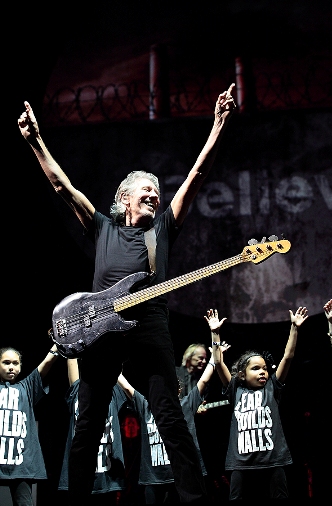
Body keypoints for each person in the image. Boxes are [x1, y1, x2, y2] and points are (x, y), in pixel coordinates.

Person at [18, 82, 236, 506]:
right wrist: (36, 142)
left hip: (150, 326)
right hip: (99, 330)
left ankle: (195, 499)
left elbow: (197, 174)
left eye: (157, 188)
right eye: (146, 189)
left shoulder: (162, 231)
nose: (155, 193)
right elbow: (63, 188)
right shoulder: (102, 227)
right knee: (87, 425)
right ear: (124, 198)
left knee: (172, 419)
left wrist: (218, 126)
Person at [205, 306, 308, 501]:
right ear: (242, 374)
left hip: (273, 461)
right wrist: (215, 333)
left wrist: (294, 328)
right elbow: (219, 364)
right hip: (241, 464)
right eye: (255, 368)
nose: (262, 372)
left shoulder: (272, 387)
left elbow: (288, 356)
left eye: (264, 369)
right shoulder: (235, 388)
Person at [117, 345, 217, 506]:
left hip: (182, 475)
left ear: (178, 390)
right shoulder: (145, 405)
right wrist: (112, 367)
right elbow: (127, 387)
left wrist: (214, 357)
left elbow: (204, 380)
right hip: (154, 477)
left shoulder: (185, 404)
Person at [58, 359, 128, 505]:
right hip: (80, 476)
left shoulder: (113, 391)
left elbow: (120, 377)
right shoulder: (78, 390)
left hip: (107, 477)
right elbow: (71, 359)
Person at [0, 344, 60, 506]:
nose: (11, 367)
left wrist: (58, 343)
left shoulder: (26, 387)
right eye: (6, 362)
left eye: (15, 363)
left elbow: (47, 363)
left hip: (21, 463)